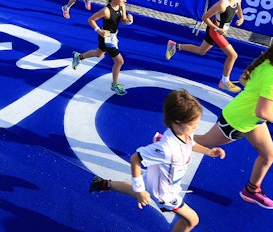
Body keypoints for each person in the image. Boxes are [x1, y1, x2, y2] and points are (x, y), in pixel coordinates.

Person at [89, 89, 225, 232]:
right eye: (192, 125)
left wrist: (208, 151)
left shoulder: (185, 134)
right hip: (164, 193)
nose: (195, 127)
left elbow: (191, 144)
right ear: (176, 122)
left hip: (155, 178)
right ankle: (113, 185)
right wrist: (140, 189)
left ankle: (102, 184)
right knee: (191, 220)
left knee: (132, 191)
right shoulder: (166, 148)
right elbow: (135, 158)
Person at [193, 40, 273, 210]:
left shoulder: (266, 63)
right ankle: (169, 139)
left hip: (251, 120)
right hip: (237, 122)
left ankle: (251, 190)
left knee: (269, 155)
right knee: (202, 142)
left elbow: (244, 80)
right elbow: (264, 113)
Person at [166, 0, 244, 93]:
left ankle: (174, 46)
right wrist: (217, 29)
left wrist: (241, 18)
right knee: (233, 55)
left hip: (219, 31)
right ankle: (224, 81)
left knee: (201, 51)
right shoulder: (222, 4)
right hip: (215, 31)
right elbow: (205, 18)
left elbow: (239, 11)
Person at [71, 0, 134, 96]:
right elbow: (91, 20)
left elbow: (123, 20)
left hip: (113, 37)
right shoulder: (106, 11)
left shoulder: (122, 6)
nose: (124, 0)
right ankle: (115, 84)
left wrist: (129, 21)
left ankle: (79, 57)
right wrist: (99, 31)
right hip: (106, 38)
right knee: (119, 61)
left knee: (98, 54)